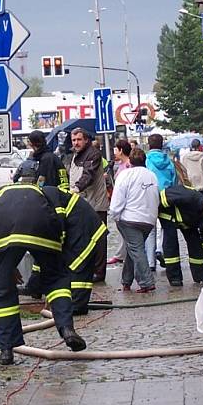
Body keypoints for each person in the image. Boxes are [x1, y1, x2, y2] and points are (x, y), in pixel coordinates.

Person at [0, 161, 87, 365]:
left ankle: (6, 351)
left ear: (16, 177)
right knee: (57, 279)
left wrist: (0, 262)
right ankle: (67, 329)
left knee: (1, 290)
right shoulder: (43, 193)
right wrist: (54, 254)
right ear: (37, 179)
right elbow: (58, 222)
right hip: (42, 231)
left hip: (3, 235)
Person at [41, 184, 106, 314]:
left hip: (86, 229)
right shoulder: (43, 198)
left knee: (78, 264)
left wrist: (38, 275)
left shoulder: (46, 198)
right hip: (78, 227)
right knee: (73, 265)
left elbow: (57, 233)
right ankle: (75, 303)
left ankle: (77, 306)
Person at [109, 148, 160, 293]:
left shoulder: (125, 175)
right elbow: (155, 197)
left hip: (129, 219)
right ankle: (126, 281)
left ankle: (147, 282)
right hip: (148, 220)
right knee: (133, 248)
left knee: (136, 249)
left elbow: (117, 200)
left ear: (130, 161)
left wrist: (115, 216)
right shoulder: (152, 176)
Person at [158, 184, 203, 287]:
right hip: (168, 213)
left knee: (196, 244)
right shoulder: (190, 198)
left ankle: (201, 275)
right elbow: (163, 197)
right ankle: (175, 278)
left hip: (187, 221)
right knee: (171, 245)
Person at [68, 128, 110, 282]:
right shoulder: (75, 155)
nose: (76, 143)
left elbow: (89, 174)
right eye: (73, 140)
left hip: (95, 204)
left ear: (86, 140)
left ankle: (99, 273)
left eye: (79, 140)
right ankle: (88, 269)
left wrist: (76, 188)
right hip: (82, 203)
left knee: (99, 239)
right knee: (84, 237)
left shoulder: (93, 154)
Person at [145, 134, 177, 271]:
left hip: (151, 197)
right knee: (166, 227)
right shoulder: (168, 161)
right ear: (162, 144)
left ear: (148, 144)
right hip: (167, 196)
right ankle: (162, 251)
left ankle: (151, 262)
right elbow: (174, 178)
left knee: (150, 229)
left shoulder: (146, 160)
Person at [107, 139, 133, 265]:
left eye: (116, 150)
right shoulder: (121, 165)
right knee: (120, 230)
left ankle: (123, 254)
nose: (114, 153)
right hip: (119, 201)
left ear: (121, 150)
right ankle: (121, 254)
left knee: (125, 230)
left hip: (127, 203)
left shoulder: (129, 165)